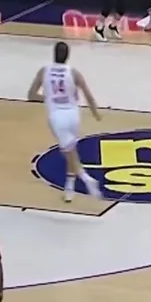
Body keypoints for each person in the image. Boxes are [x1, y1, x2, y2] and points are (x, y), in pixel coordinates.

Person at [27, 41, 102, 201]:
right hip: (73, 115)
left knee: (68, 151)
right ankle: (70, 185)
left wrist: (48, 98)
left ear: (53, 54)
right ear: (68, 56)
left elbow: (31, 95)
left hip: (57, 117)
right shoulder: (74, 73)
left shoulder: (44, 71)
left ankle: (85, 178)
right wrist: (95, 113)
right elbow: (88, 96)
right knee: (70, 149)